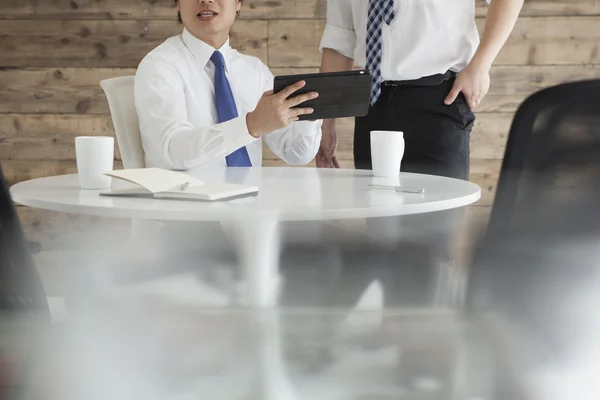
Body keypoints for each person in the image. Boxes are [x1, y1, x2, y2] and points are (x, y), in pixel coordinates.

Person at [317, 0, 523, 180]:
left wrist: (480, 66)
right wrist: (326, 123)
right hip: (373, 105)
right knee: (378, 218)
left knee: (438, 218)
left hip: (438, 101)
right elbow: (340, 38)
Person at [134, 0, 322, 171]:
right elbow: (171, 151)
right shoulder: (159, 66)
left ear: (238, 3)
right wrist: (250, 125)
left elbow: (297, 154)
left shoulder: (255, 71)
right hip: (187, 203)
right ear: (177, 3)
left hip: (251, 201)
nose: (205, 1)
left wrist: (313, 111)